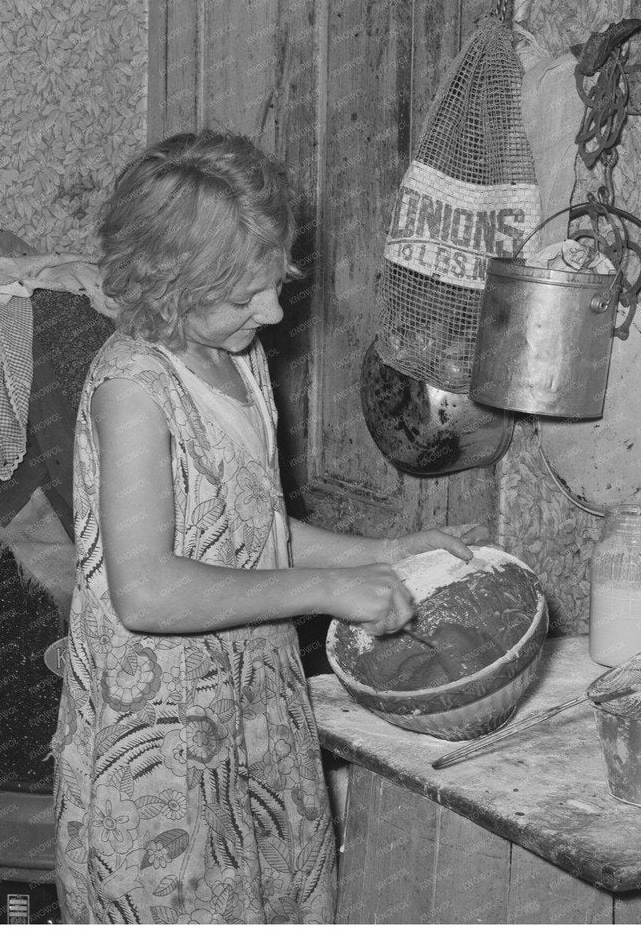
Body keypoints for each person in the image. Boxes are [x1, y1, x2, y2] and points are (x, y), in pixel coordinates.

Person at [51, 130, 481, 924]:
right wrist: (326, 590)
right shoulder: (134, 390)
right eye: (247, 293)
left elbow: (248, 528)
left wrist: (383, 553)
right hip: (164, 736)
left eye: (275, 281)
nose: (275, 309)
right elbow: (143, 592)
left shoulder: (237, 357)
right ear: (169, 281)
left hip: (255, 703)